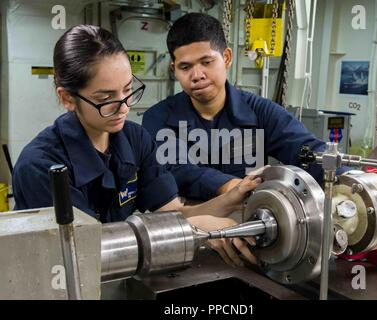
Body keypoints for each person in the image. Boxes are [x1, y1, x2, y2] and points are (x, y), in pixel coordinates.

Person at [12, 25, 260, 267]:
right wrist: (193, 227)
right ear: (67, 98)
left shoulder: (135, 139)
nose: (124, 107)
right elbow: (83, 250)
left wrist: (229, 199)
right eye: (106, 99)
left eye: (128, 90)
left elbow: (173, 213)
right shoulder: (40, 166)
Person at [143, 12, 336, 201]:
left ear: (226, 58)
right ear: (174, 69)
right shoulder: (158, 118)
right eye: (185, 67)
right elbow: (176, 170)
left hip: (250, 223)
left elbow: (305, 150)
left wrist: (347, 179)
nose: (197, 75)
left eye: (206, 62)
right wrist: (233, 187)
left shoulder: (261, 112)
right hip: (185, 225)